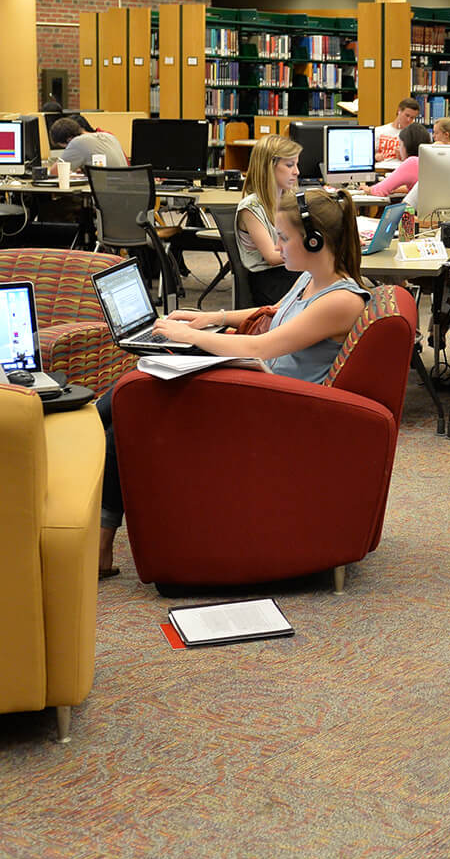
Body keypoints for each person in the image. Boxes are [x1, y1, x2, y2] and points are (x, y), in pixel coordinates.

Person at [97, 188, 371, 576]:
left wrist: (191, 337)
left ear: (314, 241)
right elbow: (271, 313)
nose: (276, 246)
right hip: (257, 391)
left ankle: (99, 540)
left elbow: (262, 345)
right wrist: (206, 318)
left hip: (271, 411)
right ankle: (81, 507)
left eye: (283, 238)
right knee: (126, 393)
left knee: (131, 408)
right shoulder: (313, 280)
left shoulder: (340, 301)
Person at [236, 133, 302, 306]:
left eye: (296, 164)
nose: (297, 172)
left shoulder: (291, 199)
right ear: (269, 167)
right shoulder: (251, 207)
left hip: (292, 270)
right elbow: (272, 257)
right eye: (289, 165)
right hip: (270, 282)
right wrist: (315, 247)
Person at [369, 121, 432, 198]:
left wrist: (366, 189)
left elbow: (379, 191)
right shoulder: (429, 160)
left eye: (400, 144)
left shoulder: (412, 162)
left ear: (407, 146)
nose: (398, 148)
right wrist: (396, 189)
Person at [49, 117, 126, 168]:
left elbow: (55, 172)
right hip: (123, 186)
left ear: (69, 140)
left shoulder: (77, 142)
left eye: (66, 147)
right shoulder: (109, 136)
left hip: (108, 188)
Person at [374, 97, 421, 162]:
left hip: (402, 168)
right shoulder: (379, 131)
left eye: (412, 118)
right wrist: (375, 156)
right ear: (399, 111)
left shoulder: (414, 136)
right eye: (407, 115)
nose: (408, 120)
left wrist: (404, 156)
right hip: (382, 168)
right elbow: (367, 154)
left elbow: (416, 160)